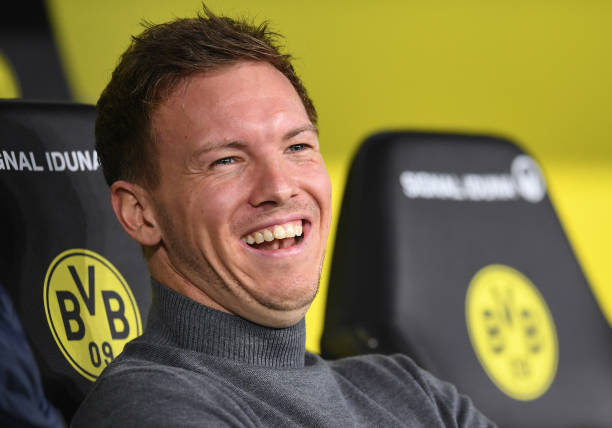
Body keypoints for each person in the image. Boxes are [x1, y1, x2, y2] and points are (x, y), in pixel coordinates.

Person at [72, 6, 495, 427]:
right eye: (226, 160)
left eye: (297, 147)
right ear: (141, 214)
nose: (278, 187)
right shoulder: (150, 407)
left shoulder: (412, 393)